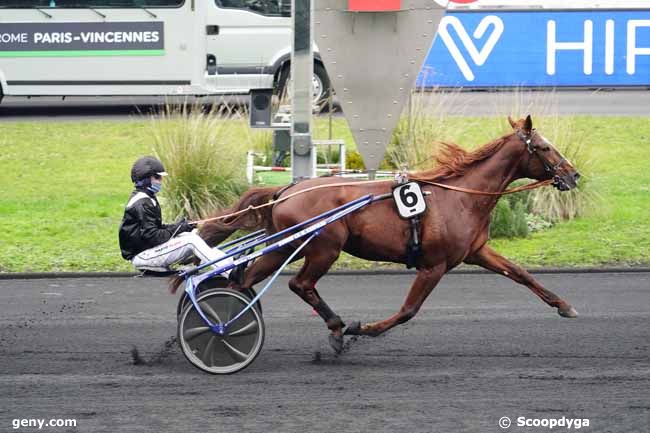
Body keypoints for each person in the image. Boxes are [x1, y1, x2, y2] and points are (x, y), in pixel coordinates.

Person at [118, 156, 232, 275]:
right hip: (142, 256)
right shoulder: (142, 202)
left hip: (148, 251)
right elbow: (154, 237)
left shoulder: (147, 198)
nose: (160, 180)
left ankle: (230, 262)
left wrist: (184, 226)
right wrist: (180, 227)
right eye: (157, 177)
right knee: (191, 241)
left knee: (193, 234)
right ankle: (229, 272)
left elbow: (157, 229)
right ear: (145, 179)